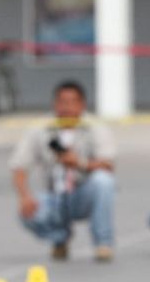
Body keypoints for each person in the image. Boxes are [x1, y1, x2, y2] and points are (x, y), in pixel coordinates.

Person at [9, 80, 117, 262]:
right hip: (55, 196)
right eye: (62, 102)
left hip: (83, 193)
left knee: (104, 181)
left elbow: (108, 165)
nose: (67, 107)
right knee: (28, 213)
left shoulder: (95, 127)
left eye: (72, 102)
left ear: (82, 104)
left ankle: (103, 243)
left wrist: (80, 163)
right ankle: (60, 239)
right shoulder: (40, 129)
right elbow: (19, 165)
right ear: (55, 104)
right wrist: (24, 196)